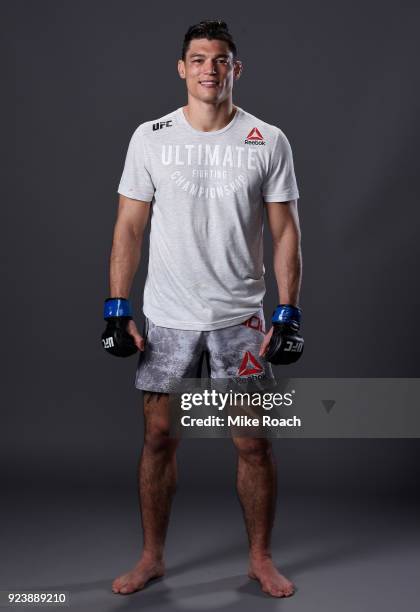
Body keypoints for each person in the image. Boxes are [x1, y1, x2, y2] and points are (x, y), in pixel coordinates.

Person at [103, 20, 303, 598]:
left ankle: (260, 560)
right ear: (182, 68)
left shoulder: (267, 139)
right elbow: (129, 226)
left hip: (240, 318)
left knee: (253, 442)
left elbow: (286, 232)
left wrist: (288, 313)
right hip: (168, 314)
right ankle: (152, 558)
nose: (209, 70)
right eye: (198, 59)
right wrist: (117, 306)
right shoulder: (151, 137)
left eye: (220, 60)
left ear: (236, 69)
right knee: (160, 437)